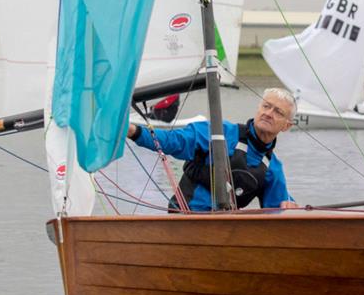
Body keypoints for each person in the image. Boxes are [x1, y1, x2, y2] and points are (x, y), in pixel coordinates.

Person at [127, 88, 298, 212]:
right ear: (258, 108)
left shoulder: (273, 168)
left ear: (287, 126)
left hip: (223, 230)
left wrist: (289, 205)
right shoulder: (219, 132)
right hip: (185, 221)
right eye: (266, 106)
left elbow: (279, 210)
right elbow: (174, 141)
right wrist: (135, 131)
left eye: (278, 112)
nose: (268, 113)